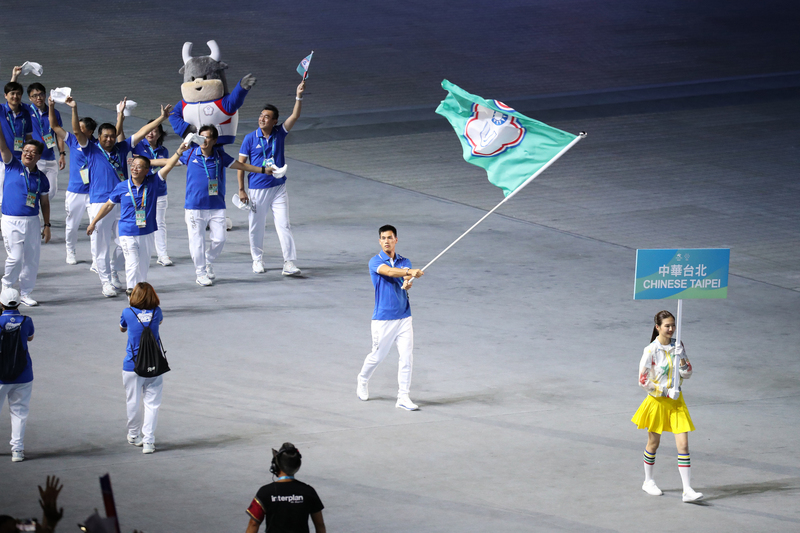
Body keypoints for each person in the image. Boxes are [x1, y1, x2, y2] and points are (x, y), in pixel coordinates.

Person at [69, 96, 172, 297]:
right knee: (101, 245)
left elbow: (142, 133)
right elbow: (75, 131)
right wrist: (74, 108)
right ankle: (105, 281)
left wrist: (161, 118)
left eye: (111, 136)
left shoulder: (122, 147)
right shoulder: (90, 149)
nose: (109, 139)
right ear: (98, 137)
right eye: (105, 136)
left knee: (122, 241)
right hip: (100, 202)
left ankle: (114, 272)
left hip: (125, 201)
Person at [179, 124, 273, 286]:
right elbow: (168, 162)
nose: (203, 140)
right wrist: (146, 164)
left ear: (214, 140)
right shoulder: (189, 154)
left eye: (207, 137)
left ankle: (208, 259)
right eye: (201, 136)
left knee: (220, 238)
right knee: (197, 241)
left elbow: (242, 166)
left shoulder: (220, 156)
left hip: (216, 206)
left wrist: (264, 170)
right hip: (194, 207)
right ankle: (200, 273)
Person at [87, 149, 184, 295]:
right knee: (132, 263)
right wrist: (93, 222)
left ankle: (140, 294)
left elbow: (169, 165)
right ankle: (132, 295)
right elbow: (107, 205)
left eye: (139, 167)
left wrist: (179, 151)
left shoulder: (154, 181)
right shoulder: (121, 187)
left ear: (146, 170)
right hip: (127, 232)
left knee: (143, 267)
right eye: (133, 165)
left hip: (147, 231)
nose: (134, 169)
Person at [631, 309, 703, 502]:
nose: (671, 329)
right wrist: (664, 391)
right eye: (667, 326)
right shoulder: (650, 351)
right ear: (657, 327)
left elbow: (687, 374)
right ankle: (648, 481)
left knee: (684, 445)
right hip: (657, 402)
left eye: (673, 325)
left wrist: (684, 360)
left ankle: (687, 490)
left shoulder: (677, 345)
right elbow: (643, 381)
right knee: (654, 443)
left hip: (677, 402)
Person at [236, 81, 306, 276]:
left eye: (267, 117)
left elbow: (295, 116)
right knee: (256, 226)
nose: (262, 119)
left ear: (274, 121)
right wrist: (242, 189)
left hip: (278, 188)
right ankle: (257, 259)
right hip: (257, 190)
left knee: (284, 224)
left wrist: (298, 95)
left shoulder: (280, 133)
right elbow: (240, 165)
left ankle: (289, 263)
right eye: (261, 116)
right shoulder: (250, 138)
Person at [357, 225, 424, 410]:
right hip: (383, 319)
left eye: (390, 237)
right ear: (380, 241)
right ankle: (362, 379)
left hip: (404, 316)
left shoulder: (405, 261)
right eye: (383, 238)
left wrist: (408, 282)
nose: (386, 241)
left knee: (406, 357)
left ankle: (403, 396)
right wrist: (409, 273)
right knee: (377, 356)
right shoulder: (375, 262)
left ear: (396, 240)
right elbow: (389, 272)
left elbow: (404, 281)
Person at [47, 97, 117, 267]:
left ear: (90, 132)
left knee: (96, 227)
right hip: (75, 191)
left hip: (94, 193)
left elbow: (116, 135)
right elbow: (55, 127)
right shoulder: (72, 140)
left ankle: (96, 260)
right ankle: (70, 250)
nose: (76, 129)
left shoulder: (98, 145)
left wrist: (120, 115)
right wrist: (51, 106)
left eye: (81, 128)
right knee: (72, 224)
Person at [0, 126, 51, 306]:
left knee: (31, 258)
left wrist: (47, 225)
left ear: (38, 157)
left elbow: (44, 203)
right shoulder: (12, 165)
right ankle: (6, 288)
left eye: (33, 152)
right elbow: (3, 146)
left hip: (32, 221)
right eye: (26, 150)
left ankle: (25, 293)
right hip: (11, 220)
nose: (28, 154)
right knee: (15, 256)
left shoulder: (41, 178)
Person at [119, 282, 163, 454]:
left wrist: (131, 302)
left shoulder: (127, 312)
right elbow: (157, 323)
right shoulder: (157, 312)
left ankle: (133, 434)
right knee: (152, 404)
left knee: (133, 401)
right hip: (155, 365)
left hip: (132, 366)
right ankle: (149, 441)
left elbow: (122, 328)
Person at [245, 442, 326, 533]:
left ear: (276, 465)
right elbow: (320, 525)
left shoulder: (265, 492)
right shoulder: (308, 491)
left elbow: (253, 523)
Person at [11, 68, 66, 201]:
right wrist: (15, 76)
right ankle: (35, 216)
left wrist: (62, 154)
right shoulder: (26, 110)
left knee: (51, 191)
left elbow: (58, 134)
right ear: (30, 98)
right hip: (35, 158)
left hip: (50, 158)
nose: (39, 98)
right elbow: (11, 95)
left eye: (41, 94)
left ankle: (39, 214)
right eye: (35, 95)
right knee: (33, 188)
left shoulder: (54, 112)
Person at [0, 288, 36, 462]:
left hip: (1, 375)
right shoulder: (27, 321)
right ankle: (17, 451)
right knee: (19, 412)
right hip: (23, 374)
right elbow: (30, 338)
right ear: (20, 303)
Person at [131, 120, 172, 266]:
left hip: (160, 191)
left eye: (155, 130)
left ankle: (162, 254)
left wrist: (146, 162)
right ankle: (138, 253)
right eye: (149, 130)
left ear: (159, 134)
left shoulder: (163, 151)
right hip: (141, 193)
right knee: (140, 222)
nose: (151, 133)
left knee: (159, 223)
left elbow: (167, 165)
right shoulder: (137, 146)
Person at [0, 81, 33, 211]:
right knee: (2, 192)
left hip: (20, 160)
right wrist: (14, 77)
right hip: (3, 160)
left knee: (21, 189)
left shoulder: (25, 113)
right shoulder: (1, 110)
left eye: (18, 93)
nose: (15, 96)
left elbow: (29, 137)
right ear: (5, 96)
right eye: (12, 93)